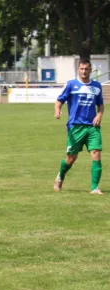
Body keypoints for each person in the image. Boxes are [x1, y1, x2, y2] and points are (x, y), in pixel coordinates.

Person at [54, 59, 104, 194]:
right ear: (78, 69)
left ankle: (94, 188)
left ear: (91, 70)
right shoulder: (71, 85)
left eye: (86, 69)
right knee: (71, 158)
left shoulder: (97, 86)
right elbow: (59, 100)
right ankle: (60, 176)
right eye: (82, 69)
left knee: (96, 153)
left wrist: (99, 115)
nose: (84, 71)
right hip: (75, 127)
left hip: (92, 127)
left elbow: (100, 105)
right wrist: (57, 110)